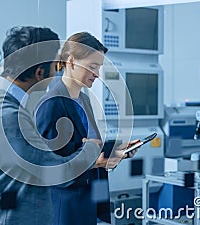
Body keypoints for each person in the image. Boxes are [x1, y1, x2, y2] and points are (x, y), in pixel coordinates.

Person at [0, 27, 102, 225]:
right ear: (40, 73)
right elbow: (55, 172)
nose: (58, 70)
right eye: (55, 66)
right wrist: (92, 148)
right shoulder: (6, 115)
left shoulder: (0, 101)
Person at [35, 32, 139, 225]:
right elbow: (48, 168)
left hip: (87, 205)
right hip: (64, 210)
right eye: (92, 66)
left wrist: (115, 152)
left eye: (99, 67)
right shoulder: (51, 105)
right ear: (72, 62)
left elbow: (87, 148)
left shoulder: (84, 101)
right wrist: (92, 162)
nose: (98, 74)